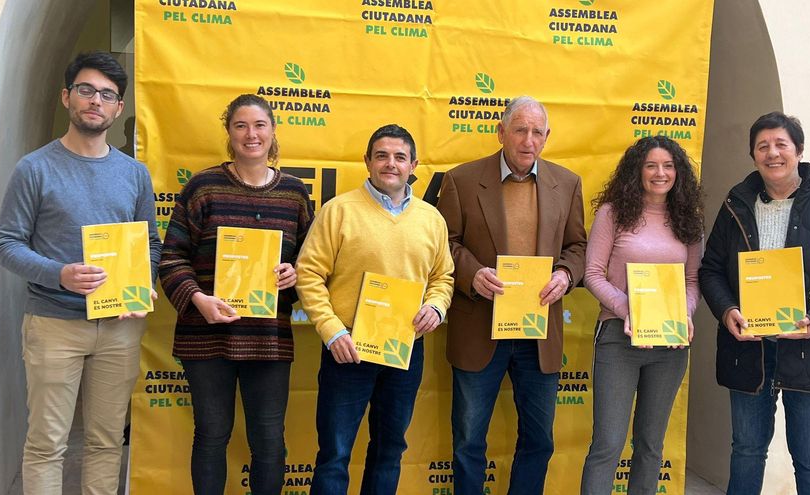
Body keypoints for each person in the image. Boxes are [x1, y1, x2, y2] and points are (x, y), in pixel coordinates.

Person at [0, 51, 162, 495]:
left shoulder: (134, 174)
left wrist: (143, 282)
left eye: (107, 95)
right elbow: (6, 244)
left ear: (118, 108)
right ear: (67, 96)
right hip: (54, 324)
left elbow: (150, 243)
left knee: (106, 441)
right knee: (47, 444)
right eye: (86, 90)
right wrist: (59, 274)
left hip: (120, 326)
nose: (95, 101)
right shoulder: (34, 168)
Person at [158, 94, 313, 495]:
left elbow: (311, 263)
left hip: (268, 339)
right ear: (229, 132)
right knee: (211, 435)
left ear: (273, 130)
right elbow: (171, 257)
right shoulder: (202, 187)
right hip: (205, 336)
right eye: (240, 125)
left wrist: (294, 274)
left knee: (269, 440)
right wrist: (198, 300)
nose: (251, 134)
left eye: (259, 125)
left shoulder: (295, 193)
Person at [436, 96, 587, 495]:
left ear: (547, 136)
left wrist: (566, 274)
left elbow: (577, 246)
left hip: (539, 332)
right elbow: (444, 243)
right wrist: (472, 274)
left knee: (539, 440)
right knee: (468, 441)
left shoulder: (567, 183)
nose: (528, 140)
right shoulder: (461, 180)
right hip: (479, 328)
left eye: (537, 132)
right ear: (501, 132)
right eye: (520, 130)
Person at [295, 124, 454, 495]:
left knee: (389, 451)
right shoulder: (338, 212)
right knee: (334, 454)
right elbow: (309, 274)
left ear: (413, 165)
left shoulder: (431, 219)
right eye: (381, 155)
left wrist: (436, 307)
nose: (390, 164)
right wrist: (332, 331)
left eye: (400, 157)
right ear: (367, 161)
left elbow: (443, 277)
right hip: (347, 349)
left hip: (404, 350)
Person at [699, 111, 810, 495]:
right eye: (762, 146)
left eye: (781, 144)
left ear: (799, 150)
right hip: (750, 350)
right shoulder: (736, 203)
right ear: (753, 155)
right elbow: (711, 270)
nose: (772, 153)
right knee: (746, 451)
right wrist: (728, 311)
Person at [579, 136, 704, 494]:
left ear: (678, 172)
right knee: (608, 444)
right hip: (619, 339)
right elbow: (593, 274)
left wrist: (684, 313)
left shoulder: (688, 220)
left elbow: (692, 281)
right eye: (651, 165)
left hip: (670, 344)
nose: (660, 173)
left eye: (668, 166)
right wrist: (626, 310)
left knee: (650, 445)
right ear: (637, 170)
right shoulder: (612, 213)